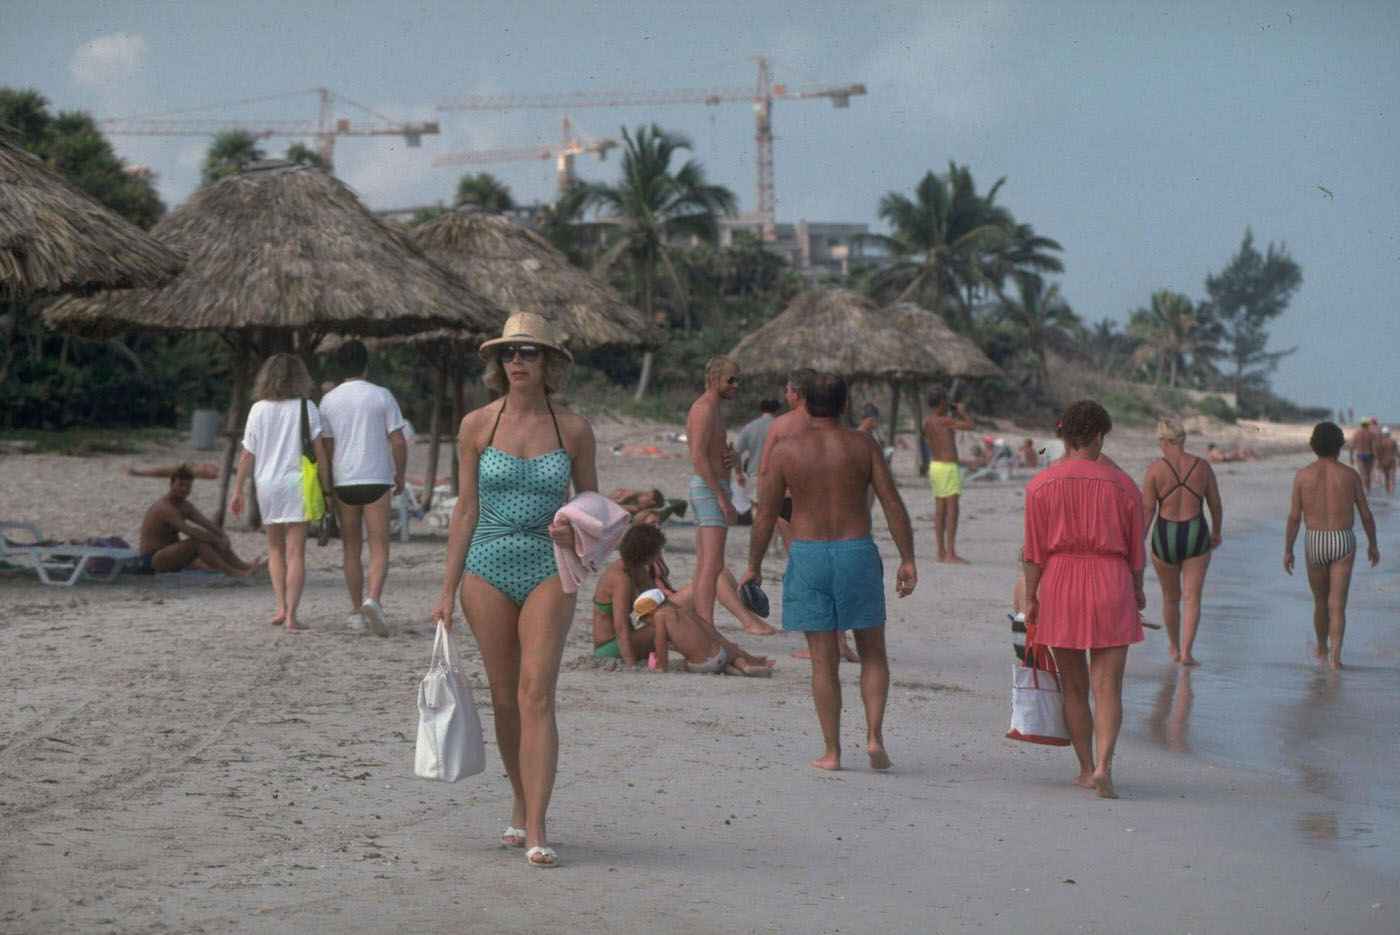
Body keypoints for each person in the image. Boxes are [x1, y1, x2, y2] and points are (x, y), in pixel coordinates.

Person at [430, 313, 597, 869]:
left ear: (548, 362)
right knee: (504, 698)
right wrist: (447, 589)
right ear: (497, 364)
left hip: (551, 565)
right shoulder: (477, 424)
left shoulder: (573, 428)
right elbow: (466, 509)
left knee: (536, 693)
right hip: (486, 565)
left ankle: (539, 826)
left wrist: (570, 526)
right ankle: (520, 802)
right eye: (508, 353)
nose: (517, 362)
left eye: (528, 352)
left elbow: (593, 510)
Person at [743, 373, 918, 771]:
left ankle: (832, 752)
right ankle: (874, 737)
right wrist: (907, 557)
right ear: (844, 406)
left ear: (803, 404)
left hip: (808, 554)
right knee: (873, 652)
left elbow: (766, 514)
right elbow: (891, 502)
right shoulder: (862, 444)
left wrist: (752, 567)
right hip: (855, 550)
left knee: (824, 663)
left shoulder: (787, 450)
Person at [1023, 399, 1145, 799]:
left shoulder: (1040, 485)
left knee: (1074, 687)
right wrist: (1138, 589)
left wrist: (1031, 597)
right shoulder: (1124, 484)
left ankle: (1086, 766)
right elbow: (1135, 551)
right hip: (1111, 580)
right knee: (1108, 686)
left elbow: (1033, 552)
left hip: (1060, 581)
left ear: (1063, 436)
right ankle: (1106, 766)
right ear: (1099, 437)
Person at [231, 354, 330, 631]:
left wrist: (237, 491)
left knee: (274, 548)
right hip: (298, 482)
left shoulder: (258, 409)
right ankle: (292, 617)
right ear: (299, 377)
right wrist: (327, 487)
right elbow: (320, 452)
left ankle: (280, 606)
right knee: (296, 551)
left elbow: (246, 456)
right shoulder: (306, 406)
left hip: (267, 484)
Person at [317, 339, 408, 637]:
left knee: (351, 548)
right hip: (377, 478)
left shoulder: (328, 401)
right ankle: (374, 600)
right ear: (366, 364)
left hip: (345, 481)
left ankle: (357, 611)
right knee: (379, 545)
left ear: (340, 366)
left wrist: (327, 487)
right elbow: (397, 439)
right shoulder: (382, 395)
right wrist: (401, 474)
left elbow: (327, 450)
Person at [1283, 421, 1380, 670]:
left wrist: (1288, 549)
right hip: (1342, 540)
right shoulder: (1349, 475)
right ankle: (1336, 659)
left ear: (1314, 445)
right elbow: (1366, 514)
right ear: (1339, 445)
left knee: (1320, 602)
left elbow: (1295, 517)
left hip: (1315, 539)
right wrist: (1373, 544)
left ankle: (1321, 648)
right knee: (1338, 603)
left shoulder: (1303, 476)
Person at [618, 524, 775, 675]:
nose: (658, 526)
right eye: (653, 523)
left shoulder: (640, 567)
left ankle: (741, 653)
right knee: (714, 578)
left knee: (718, 575)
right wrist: (631, 665)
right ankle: (744, 638)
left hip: (660, 604)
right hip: (637, 626)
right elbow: (621, 626)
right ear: (645, 550)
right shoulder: (625, 574)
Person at [1141, 419, 1222, 666]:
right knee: (1192, 597)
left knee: (1170, 597)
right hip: (1196, 531)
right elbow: (1215, 504)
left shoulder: (1155, 469)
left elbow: (1148, 510)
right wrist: (1216, 532)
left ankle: (1174, 648)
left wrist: (1139, 542)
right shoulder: (1202, 466)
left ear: (1164, 441)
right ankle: (1187, 652)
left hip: (1165, 534)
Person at [685, 356, 741, 636]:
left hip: (712, 487)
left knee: (705, 562)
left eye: (737, 379)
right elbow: (697, 456)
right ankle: (705, 626)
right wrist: (721, 496)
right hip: (709, 490)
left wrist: (731, 459)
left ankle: (700, 622)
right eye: (730, 380)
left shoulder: (713, 411)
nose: (736, 385)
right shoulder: (704, 409)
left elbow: (707, 452)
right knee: (713, 563)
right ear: (713, 380)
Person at [136, 463, 264, 577]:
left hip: (170, 554)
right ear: (171, 484)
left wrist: (222, 535)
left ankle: (244, 566)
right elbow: (191, 532)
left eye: (187, 486)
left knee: (210, 537)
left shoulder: (185, 506)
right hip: (151, 560)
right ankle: (233, 572)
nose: (184, 489)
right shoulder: (165, 508)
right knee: (199, 542)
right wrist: (216, 539)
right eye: (180, 485)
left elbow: (207, 523)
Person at [922, 388, 976, 563]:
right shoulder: (945, 421)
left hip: (935, 466)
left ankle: (940, 552)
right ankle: (951, 553)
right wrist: (962, 412)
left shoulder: (927, 423)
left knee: (939, 511)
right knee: (952, 511)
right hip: (948, 468)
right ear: (943, 403)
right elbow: (971, 426)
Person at [1348, 418, 1377, 492]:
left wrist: (1351, 457)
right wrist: (1376, 456)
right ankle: (1368, 489)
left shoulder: (1356, 434)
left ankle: (1365, 489)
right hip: (1369, 454)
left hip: (1360, 455)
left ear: (1361, 424)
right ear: (1368, 424)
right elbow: (1374, 446)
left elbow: (1352, 446)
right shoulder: (1371, 434)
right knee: (1368, 473)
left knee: (1362, 473)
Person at [127, 462, 220, 479]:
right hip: (188, 469)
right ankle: (139, 472)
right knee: (163, 470)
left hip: (188, 471)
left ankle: (139, 473)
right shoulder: (215, 468)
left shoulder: (216, 472)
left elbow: (211, 475)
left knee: (163, 471)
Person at [1377, 426, 1398, 496]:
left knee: (1386, 478)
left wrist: (1379, 463)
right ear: (1389, 433)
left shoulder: (1381, 442)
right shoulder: (1393, 441)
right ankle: (1391, 493)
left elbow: (1379, 454)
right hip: (1392, 460)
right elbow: (1397, 453)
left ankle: (1387, 492)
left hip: (1384, 461)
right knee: (1392, 477)